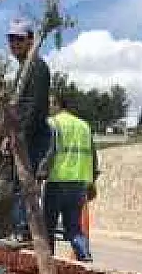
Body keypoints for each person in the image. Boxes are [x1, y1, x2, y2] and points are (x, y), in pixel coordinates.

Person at [1, 17, 52, 245]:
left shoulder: (37, 67)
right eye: (11, 40)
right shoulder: (23, 69)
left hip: (32, 135)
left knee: (25, 185)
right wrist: (8, 134)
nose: (14, 45)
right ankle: (20, 230)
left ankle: (24, 231)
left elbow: (36, 107)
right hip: (21, 134)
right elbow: (17, 107)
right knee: (17, 183)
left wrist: (20, 136)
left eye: (19, 40)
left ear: (31, 41)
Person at [41, 94, 99, 262]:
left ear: (58, 105)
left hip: (56, 182)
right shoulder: (84, 126)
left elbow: (49, 152)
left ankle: (47, 261)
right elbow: (93, 156)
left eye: (50, 104)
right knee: (74, 228)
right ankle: (85, 257)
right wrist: (92, 182)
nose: (48, 108)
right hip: (79, 184)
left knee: (48, 228)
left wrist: (40, 175)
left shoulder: (53, 123)